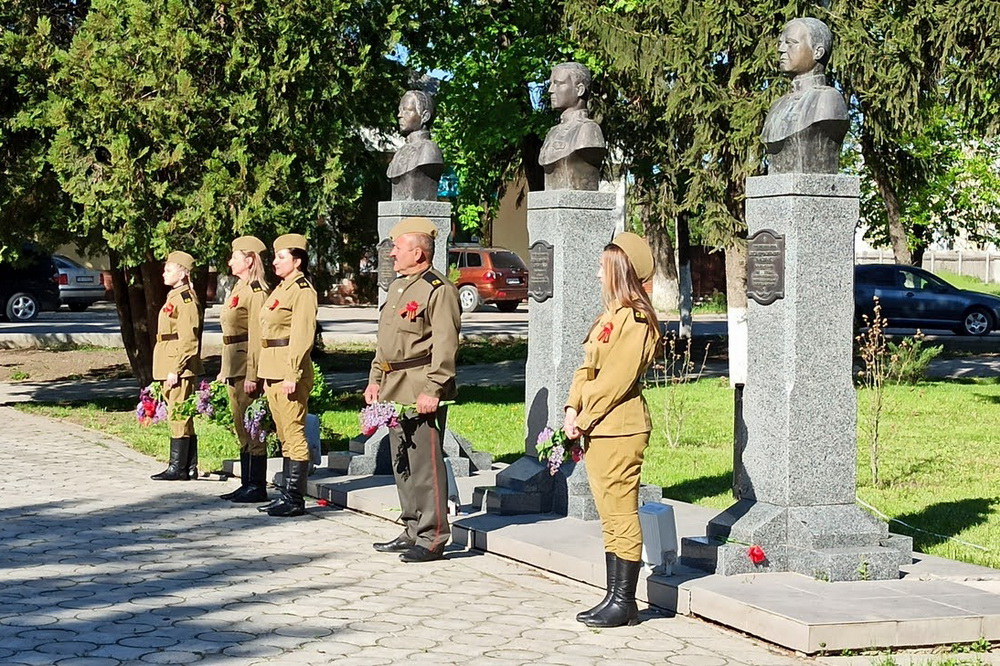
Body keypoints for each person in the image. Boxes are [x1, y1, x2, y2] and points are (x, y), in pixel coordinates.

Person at [563, 232, 660, 628]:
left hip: (620, 427)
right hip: (598, 426)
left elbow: (616, 379)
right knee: (609, 514)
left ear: (618, 269)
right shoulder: (609, 317)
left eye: (603, 265)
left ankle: (625, 601)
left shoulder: (637, 321)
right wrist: (572, 406)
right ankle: (613, 596)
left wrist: (583, 418)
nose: (597, 272)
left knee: (621, 511)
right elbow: (586, 368)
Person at [365, 216, 460, 563]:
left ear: (418, 253)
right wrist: (375, 379)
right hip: (393, 386)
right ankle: (411, 528)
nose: (391, 254)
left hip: (420, 386)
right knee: (402, 462)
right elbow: (386, 342)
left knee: (425, 466)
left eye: (398, 248)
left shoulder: (439, 290)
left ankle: (434, 535)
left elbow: (445, 345)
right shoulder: (398, 288)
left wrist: (434, 388)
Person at [255, 234, 318, 517]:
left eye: (281, 257)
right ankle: (285, 494)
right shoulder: (281, 289)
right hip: (272, 369)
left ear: (297, 260)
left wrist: (292, 372)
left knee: (294, 433)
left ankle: (295, 498)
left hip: (289, 371)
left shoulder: (302, 290)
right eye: (275, 257)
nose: (275, 262)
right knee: (283, 435)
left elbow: (302, 336)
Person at [218, 236, 271, 503]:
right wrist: (223, 368)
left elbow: (256, 336)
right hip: (233, 364)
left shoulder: (256, 292)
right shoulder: (239, 288)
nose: (230, 261)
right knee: (240, 424)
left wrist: (254, 374)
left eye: (234, 257)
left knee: (252, 427)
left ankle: (257, 485)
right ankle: (247, 482)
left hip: (245, 366)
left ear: (249, 260)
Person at [760, 17, 848, 173]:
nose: (781, 49)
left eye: (790, 43)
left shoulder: (827, 100)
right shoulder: (777, 106)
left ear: (818, 52)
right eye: (781, 43)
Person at [151, 250, 205, 481]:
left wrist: (177, 368)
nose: (164, 273)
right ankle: (188, 466)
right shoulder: (174, 297)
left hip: (177, 365)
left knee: (179, 415)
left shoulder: (186, 300)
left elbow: (188, 339)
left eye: (169, 269)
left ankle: (178, 467)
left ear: (183, 273)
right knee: (179, 414)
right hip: (168, 361)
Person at [538, 61, 607, 190]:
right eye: (551, 84)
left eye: (559, 84)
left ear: (579, 89)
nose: (551, 90)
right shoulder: (552, 133)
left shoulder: (588, 130)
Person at [386, 90, 445, 201]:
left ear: (425, 117)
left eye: (406, 111)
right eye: (399, 111)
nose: (399, 115)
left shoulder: (429, 151)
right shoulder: (400, 152)